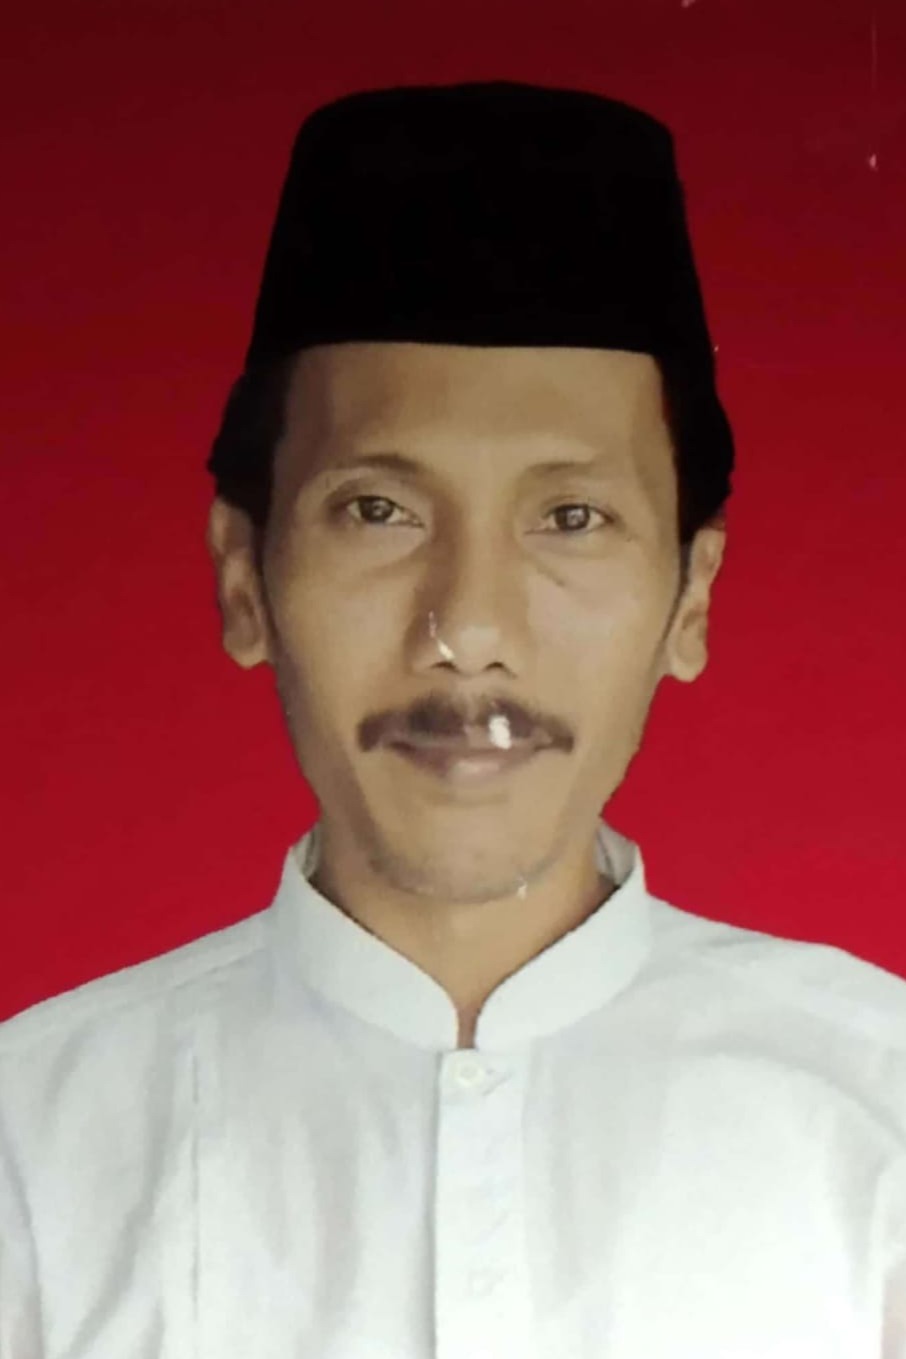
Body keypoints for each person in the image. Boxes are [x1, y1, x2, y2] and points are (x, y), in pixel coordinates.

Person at [1, 79, 904, 1358]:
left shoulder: (879, 1120)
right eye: (379, 511)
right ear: (244, 579)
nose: (468, 626)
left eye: (572, 518)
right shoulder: (32, 1157)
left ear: (691, 599)